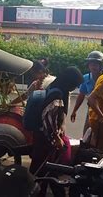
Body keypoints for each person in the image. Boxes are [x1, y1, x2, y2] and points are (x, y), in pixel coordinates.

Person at [29, 67, 84, 197]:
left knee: (46, 168)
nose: (75, 88)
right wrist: (56, 138)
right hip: (46, 139)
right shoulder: (57, 95)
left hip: (42, 137)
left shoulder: (55, 87)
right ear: (69, 81)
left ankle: (46, 192)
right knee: (43, 169)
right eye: (75, 84)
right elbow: (48, 119)